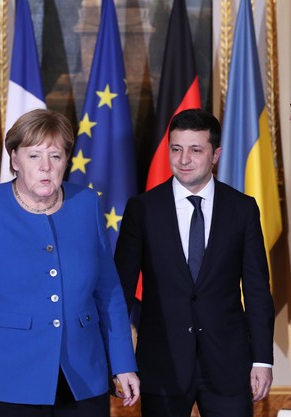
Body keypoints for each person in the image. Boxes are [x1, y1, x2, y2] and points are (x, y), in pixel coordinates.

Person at [0, 108, 140, 417]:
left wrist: (123, 363)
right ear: (14, 160)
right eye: (34, 156)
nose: (45, 167)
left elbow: (109, 293)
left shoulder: (86, 203)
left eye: (55, 156)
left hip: (83, 376)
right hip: (5, 377)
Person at [115, 108, 275, 417]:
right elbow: (118, 293)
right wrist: (120, 361)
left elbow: (257, 290)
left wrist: (262, 360)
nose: (183, 159)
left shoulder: (242, 209)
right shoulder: (142, 208)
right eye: (176, 149)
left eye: (195, 150)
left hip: (229, 365)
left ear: (216, 154)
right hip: (161, 364)